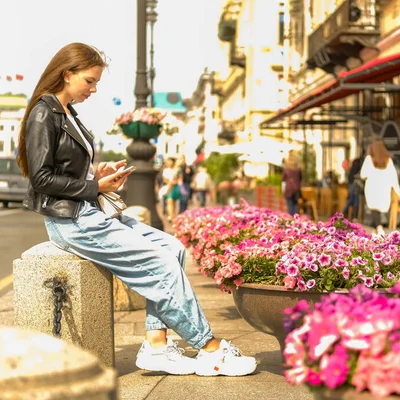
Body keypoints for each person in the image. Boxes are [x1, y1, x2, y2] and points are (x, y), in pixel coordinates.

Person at [16, 43, 256, 377]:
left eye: (96, 81)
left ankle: (157, 345)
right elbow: (41, 179)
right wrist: (93, 187)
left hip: (88, 210)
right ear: (67, 74)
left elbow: (65, 170)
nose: (94, 89)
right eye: (89, 80)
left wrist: (96, 177)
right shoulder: (45, 112)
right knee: (160, 264)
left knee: (171, 248)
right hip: (70, 221)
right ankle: (209, 348)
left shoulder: (68, 111)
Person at [360, 139, 400, 235]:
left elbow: (363, 174)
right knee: (378, 209)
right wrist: (398, 191)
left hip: (372, 188)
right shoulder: (388, 160)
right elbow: (393, 176)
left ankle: (379, 227)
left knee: (374, 208)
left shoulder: (369, 159)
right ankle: (376, 230)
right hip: (384, 188)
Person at [342, 151, 364, 221]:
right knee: (355, 200)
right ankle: (354, 216)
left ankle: (344, 212)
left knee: (352, 199)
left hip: (351, 183)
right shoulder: (360, 163)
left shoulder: (355, 163)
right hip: (355, 183)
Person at [282, 150, 303, 216]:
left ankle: (291, 221)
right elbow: (300, 179)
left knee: (290, 207)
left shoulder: (286, 170)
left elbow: (283, 180)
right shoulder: (299, 169)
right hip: (296, 190)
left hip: (288, 190)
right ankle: (295, 219)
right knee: (295, 206)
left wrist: (283, 191)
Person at [162, 157, 182, 223]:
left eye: (170, 162)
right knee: (169, 201)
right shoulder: (165, 170)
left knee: (174, 202)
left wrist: (176, 181)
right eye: (168, 162)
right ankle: (171, 216)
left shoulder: (176, 170)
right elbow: (164, 179)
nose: (169, 163)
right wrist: (169, 182)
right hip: (169, 187)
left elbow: (180, 178)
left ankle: (173, 216)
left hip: (175, 187)